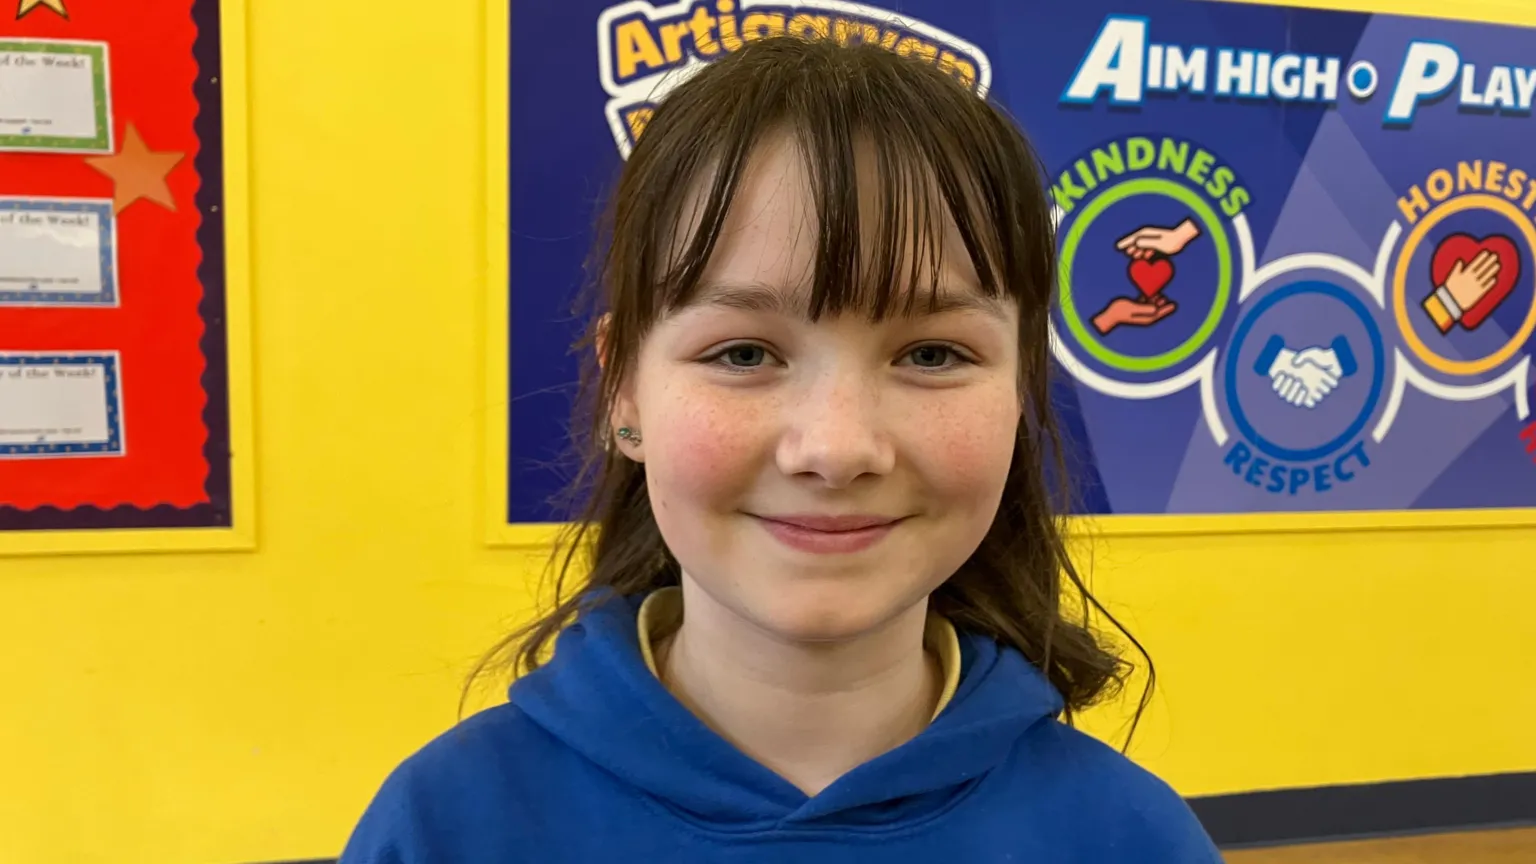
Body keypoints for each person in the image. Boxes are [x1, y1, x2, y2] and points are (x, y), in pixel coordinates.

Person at [340, 34, 1222, 863]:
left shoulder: (1129, 837)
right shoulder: (445, 828)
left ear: (1020, 389)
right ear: (624, 391)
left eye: (931, 355)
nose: (836, 449)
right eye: (743, 354)